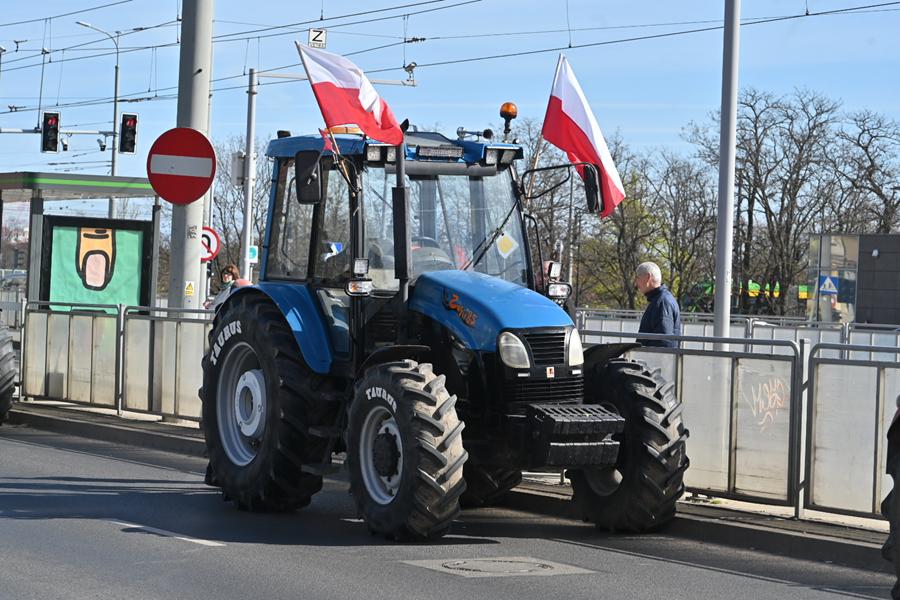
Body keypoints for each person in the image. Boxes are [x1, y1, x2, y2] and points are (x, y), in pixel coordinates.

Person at [634, 261, 681, 348]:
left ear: (648, 277)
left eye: (637, 278)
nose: (636, 283)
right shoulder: (660, 300)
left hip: (657, 360)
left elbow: (663, 342)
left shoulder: (661, 302)